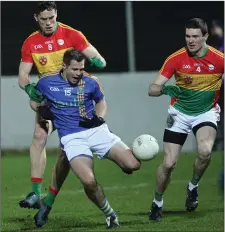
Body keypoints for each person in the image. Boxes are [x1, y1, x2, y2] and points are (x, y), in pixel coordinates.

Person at [30, 48, 141, 228]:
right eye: (75, 69)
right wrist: (41, 109)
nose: (79, 73)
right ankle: (110, 214)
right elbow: (34, 101)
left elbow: (101, 101)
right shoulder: (46, 82)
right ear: (64, 66)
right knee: (89, 181)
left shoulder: (90, 82)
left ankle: (125, 161)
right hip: (72, 138)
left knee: (133, 165)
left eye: (81, 69)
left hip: (96, 131)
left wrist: (99, 118)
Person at [18, 1, 106, 210]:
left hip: (75, 102)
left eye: (51, 18)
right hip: (51, 99)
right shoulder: (31, 42)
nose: (48, 23)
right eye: (43, 19)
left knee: (65, 152)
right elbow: (22, 76)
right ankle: (35, 193)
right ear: (36, 19)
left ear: (56, 14)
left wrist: (96, 61)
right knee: (39, 136)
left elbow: (99, 59)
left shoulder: (73, 35)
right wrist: (30, 89)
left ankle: (49, 200)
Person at [147, 18, 224, 221]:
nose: (190, 41)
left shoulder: (219, 59)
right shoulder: (175, 59)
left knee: (205, 151)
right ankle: (157, 202)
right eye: (188, 36)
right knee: (169, 164)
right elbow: (152, 89)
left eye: (195, 36)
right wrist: (166, 88)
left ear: (205, 37)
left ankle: (193, 187)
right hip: (179, 115)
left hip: (206, 112)